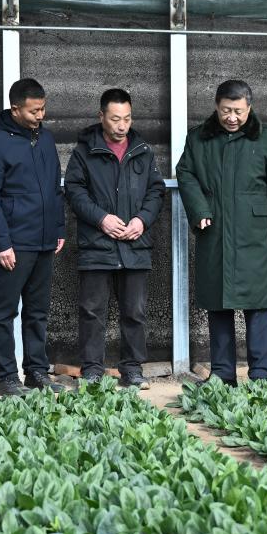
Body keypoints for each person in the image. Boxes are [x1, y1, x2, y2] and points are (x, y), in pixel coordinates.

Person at [176, 79, 267, 385]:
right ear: (216, 106)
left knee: (258, 306)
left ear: (249, 108)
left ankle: (260, 375)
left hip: (254, 235)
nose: (232, 117)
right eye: (226, 110)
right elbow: (185, 173)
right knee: (218, 305)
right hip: (214, 233)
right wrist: (200, 209)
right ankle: (223, 374)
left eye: (238, 111)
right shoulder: (198, 139)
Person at [64, 88, 166, 388]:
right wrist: (101, 218)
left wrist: (142, 220)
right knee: (92, 310)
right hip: (97, 244)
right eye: (115, 119)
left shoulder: (143, 150)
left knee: (134, 311)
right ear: (101, 117)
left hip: (134, 244)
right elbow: (74, 190)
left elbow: (156, 190)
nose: (122, 126)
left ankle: (132, 369)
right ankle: (92, 369)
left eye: (127, 118)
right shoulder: (85, 151)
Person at [0, 78, 66, 396]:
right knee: (5, 311)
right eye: (34, 110)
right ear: (16, 109)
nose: (40, 115)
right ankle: (6, 378)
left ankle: (36, 372)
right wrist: (1, 243)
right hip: (14, 243)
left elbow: (56, 187)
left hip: (43, 241)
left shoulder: (45, 139)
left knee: (37, 311)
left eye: (43, 108)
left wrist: (58, 229)